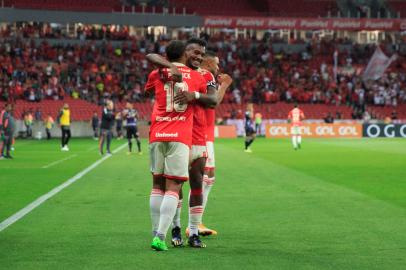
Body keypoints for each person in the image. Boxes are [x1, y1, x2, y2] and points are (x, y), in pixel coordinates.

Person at [145, 40, 208, 251]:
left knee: (156, 185)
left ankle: (155, 231)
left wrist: (164, 70)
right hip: (180, 136)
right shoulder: (197, 77)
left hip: (157, 133)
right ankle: (160, 237)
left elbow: (147, 91)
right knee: (174, 186)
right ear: (184, 55)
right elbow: (209, 99)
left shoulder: (156, 74)